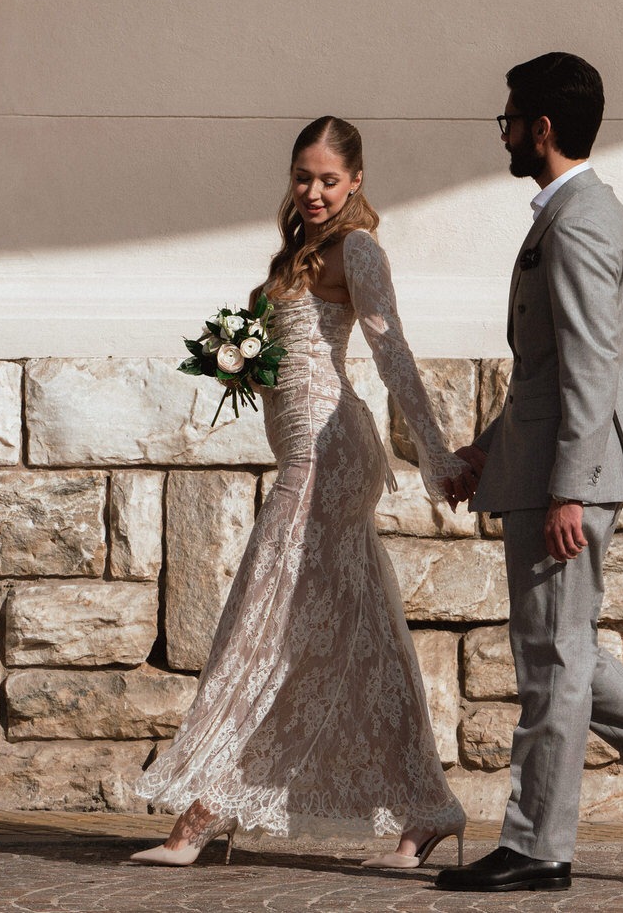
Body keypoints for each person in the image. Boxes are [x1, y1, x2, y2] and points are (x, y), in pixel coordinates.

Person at [433, 53, 623, 894]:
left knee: (553, 664)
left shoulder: (577, 223)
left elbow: (592, 365)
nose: (501, 133)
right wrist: (491, 449)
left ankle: (538, 847)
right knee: (559, 649)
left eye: (507, 119)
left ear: (541, 128)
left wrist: (567, 487)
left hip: (566, 480)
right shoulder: (582, 214)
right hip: (547, 466)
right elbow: (547, 371)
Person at [129, 115, 468, 870]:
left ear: (355, 183)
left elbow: (392, 353)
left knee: (261, 617)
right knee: (358, 634)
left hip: (326, 459)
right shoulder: (296, 254)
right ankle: (428, 809)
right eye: (302, 177)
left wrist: (437, 457)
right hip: (302, 451)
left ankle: (202, 815)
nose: (313, 191)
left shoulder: (359, 249)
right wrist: (242, 360)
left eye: (328, 179)